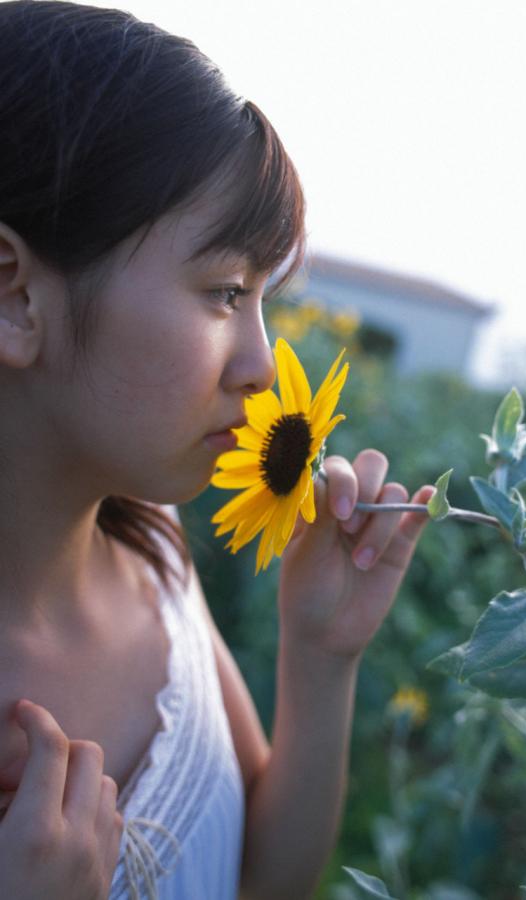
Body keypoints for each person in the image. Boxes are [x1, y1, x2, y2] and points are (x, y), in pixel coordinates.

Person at [0, 2, 434, 897]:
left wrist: (321, 654)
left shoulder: (152, 555)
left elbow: (261, 879)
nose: (264, 364)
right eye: (225, 291)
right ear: (15, 296)